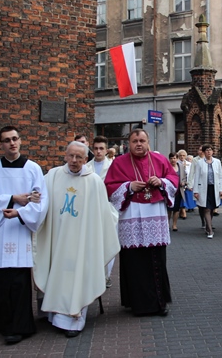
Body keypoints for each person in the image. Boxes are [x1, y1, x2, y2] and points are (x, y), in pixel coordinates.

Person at [0, 126, 48, 344]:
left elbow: (41, 201)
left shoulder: (32, 169)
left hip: (19, 229)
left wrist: (20, 213)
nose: (11, 143)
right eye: (6, 140)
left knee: (17, 280)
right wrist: (13, 198)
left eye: (14, 139)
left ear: (20, 141)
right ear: (1, 144)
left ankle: (18, 326)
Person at [33, 141, 120, 338]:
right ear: (65, 155)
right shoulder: (53, 176)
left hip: (82, 241)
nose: (74, 160)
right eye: (71, 156)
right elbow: (40, 202)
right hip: (57, 237)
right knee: (57, 272)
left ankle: (74, 319)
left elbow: (103, 214)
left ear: (86, 159)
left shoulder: (94, 181)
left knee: (78, 274)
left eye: (79, 157)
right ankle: (54, 315)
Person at [104, 129, 178, 316]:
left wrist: (161, 182)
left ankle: (159, 303)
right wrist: (129, 186)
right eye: (135, 141)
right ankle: (137, 303)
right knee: (134, 262)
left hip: (155, 213)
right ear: (128, 143)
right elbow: (109, 187)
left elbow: (173, 180)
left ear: (148, 142)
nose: (139, 144)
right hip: (132, 216)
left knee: (155, 260)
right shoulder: (119, 162)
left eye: (142, 140)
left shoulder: (160, 160)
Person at [85, 135, 115, 288]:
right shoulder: (86, 167)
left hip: (107, 207)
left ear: (106, 150)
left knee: (108, 241)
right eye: (96, 148)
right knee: (92, 243)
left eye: (101, 148)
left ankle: (106, 275)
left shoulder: (113, 166)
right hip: (90, 208)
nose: (98, 151)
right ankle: (94, 274)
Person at [191, 144, 222, 238]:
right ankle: (210, 230)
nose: (209, 152)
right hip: (203, 188)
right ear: (204, 152)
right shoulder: (200, 163)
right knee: (206, 208)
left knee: (212, 208)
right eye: (207, 150)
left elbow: (220, 177)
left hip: (214, 188)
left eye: (210, 150)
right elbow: (197, 177)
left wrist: (221, 189)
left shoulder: (217, 162)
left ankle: (207, 225)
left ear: (213, 151)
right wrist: (196, 191)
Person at [167, 152, 186, 231]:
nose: (173, 160)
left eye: (174, 158)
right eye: (171, 158)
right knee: (169, 208)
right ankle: (167, 224)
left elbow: (184, 177)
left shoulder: (180, 166)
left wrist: (183, 182)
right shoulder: (167, 167)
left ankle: (174, 225)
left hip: (178, 190)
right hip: (170, 191)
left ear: (177, 159)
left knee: (176, 208)